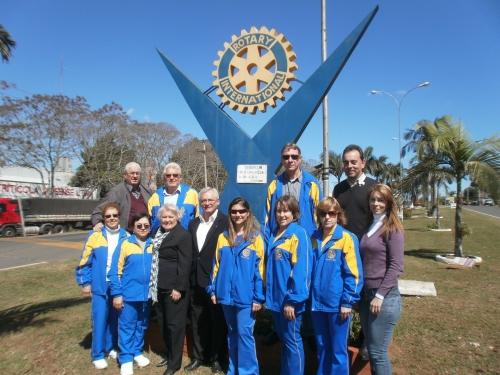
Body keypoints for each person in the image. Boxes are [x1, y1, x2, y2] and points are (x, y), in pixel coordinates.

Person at [207, 197, 265, 375]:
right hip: (225, 296)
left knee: (245, 336)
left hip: (246, 297)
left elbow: (260, 270)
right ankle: (234, 369)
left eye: (241, 211)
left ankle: (248, 371)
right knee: (232, 334)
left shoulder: (255, 238)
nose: (237, 215)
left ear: (248, 214)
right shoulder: (223, 237)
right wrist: (213, 290)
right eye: (234, 211)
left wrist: (258, 297)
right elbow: (215, 266)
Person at [310, 197, 363, 375]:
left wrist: (347, 302)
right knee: (322, 347)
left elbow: (354, 275)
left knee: (338, 350)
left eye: (331, 213)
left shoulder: (347, 238)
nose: (327, 217)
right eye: (323, 213)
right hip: (317, 304)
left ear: (338, 215)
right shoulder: (314, 238)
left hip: (337, 305)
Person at [76, 202, 128, 369]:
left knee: (115, 319)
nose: (112, 218)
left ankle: (111, 346)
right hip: (99, 285)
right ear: (103, 218)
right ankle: (97, 353)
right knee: (99, 319)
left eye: (114, 215)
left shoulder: (126, 236)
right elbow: (85, 261)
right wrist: (85, 282)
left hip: (118, 285)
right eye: (108, 216)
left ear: (119, 217)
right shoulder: (94, 236)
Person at [359, 184, 404, 375]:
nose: (376, 203)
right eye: (373, 199)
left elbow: (396, 266)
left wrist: (380, 295)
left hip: (383, 297)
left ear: (388, 202)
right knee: (370, 348)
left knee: (377, 352)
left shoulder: (393, 228)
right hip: (367, 295)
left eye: (380, 200)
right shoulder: (371, 224)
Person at [265, 195, 312, 375]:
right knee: (285, 342)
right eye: (279, 211)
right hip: (277, 300)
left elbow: (302, 270)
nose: (282, 214)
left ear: (295, 213)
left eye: (286, 211)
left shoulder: (298, 234)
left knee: (292, 342)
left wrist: (293, 300)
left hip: (290, 301)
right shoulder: (275, 233)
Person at [185, 187, 228, 373]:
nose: (207, 203)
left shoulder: (226, 222)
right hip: (195, 280)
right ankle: (197, 356)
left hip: (215, 280)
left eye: (211, 200)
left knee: (217, 322)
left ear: (217, 202)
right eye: (204, 201)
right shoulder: (193, 223)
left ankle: (217, 359)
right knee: (197, 321)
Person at [149, 204, 193, 375]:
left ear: (177, 218)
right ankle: (169, 354)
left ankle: (174, 364)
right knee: (163, 323)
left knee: (175, 326)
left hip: (174, 288)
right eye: (164, 217)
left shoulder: (183, 235)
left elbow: (185, 264)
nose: (167, 220)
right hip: (158, 287)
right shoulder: (157, 233)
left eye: (170, 217)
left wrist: (178, 288)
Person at [109, 214, 153, 375]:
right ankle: (126, 358)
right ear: (133, 227)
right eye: (139, 225)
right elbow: (114, 272)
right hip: (128, 295)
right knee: (127, 326)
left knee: (141, 325)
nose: (142, 228)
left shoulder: (152, 244)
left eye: (146, 225)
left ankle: (136, 351)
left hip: (146, 296)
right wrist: (117, 294)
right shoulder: (125, 244)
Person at [264, 143, 322, 237]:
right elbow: (267, 217)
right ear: (282, 160)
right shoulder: (274, 185)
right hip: (279, 240)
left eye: (294, 157)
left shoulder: (312, 184)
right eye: (286, 157)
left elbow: (320, 215)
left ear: (300, 159)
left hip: (306, 239)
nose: (290, 160)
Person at [92, 162, 152, 233]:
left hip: (144, 235)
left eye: (137, 173)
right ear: (125, 175)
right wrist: (97, 222)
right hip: (124, 236)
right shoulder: (116, 192)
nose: (135, 176)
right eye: (132, 173)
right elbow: (98, 211)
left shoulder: (147, 192)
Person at [333, 144, 376, 241]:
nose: (349, 166)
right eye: (346, 163)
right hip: (344, 246)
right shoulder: (338, 189)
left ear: (363, 163)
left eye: (353, 162)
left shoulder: (374, 187)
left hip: (367, 247)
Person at [148, 162, 198, 234]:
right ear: (164, 178)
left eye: (175, 175)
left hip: (185, 239)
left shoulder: (192, 194)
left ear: (180, 178)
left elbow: (200, 219)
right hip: (160, 240)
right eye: (168, 175)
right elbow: (149, 220)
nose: (172, 178)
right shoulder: (155, 196)